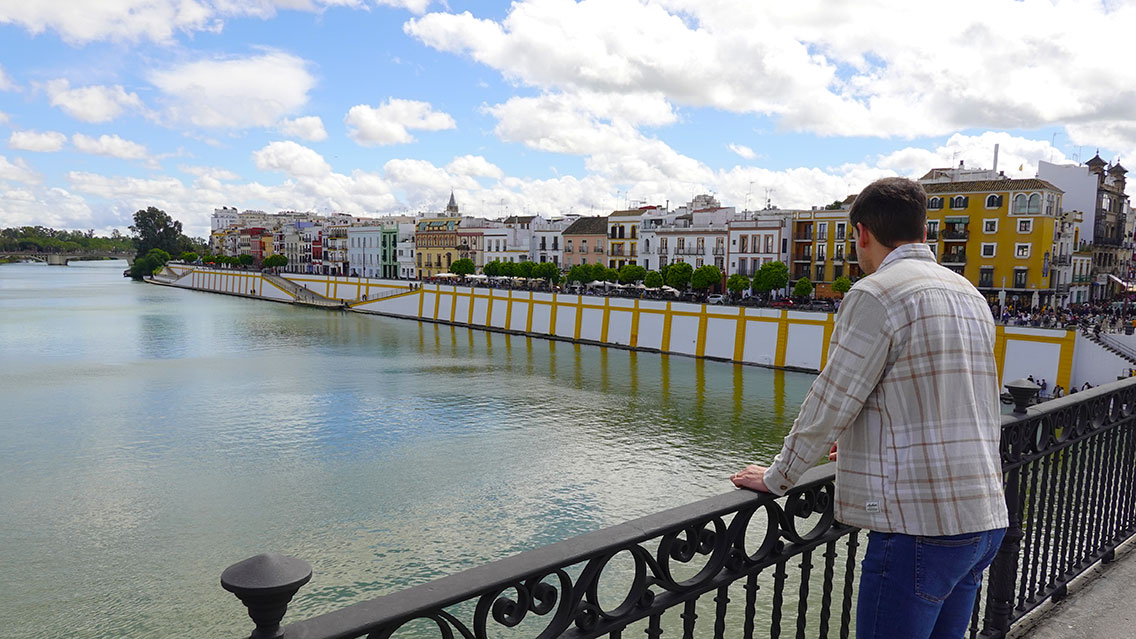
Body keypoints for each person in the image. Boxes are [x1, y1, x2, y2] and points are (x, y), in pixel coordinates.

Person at [731, 177, 1007, 639]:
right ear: (923, 232)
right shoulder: (969, 295)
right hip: (982, 520)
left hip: (920, 526)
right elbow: (943, 401)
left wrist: (779, 476)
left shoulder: (876, 293)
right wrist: (863, 447)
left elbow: (831, 399)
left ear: (861, 233)